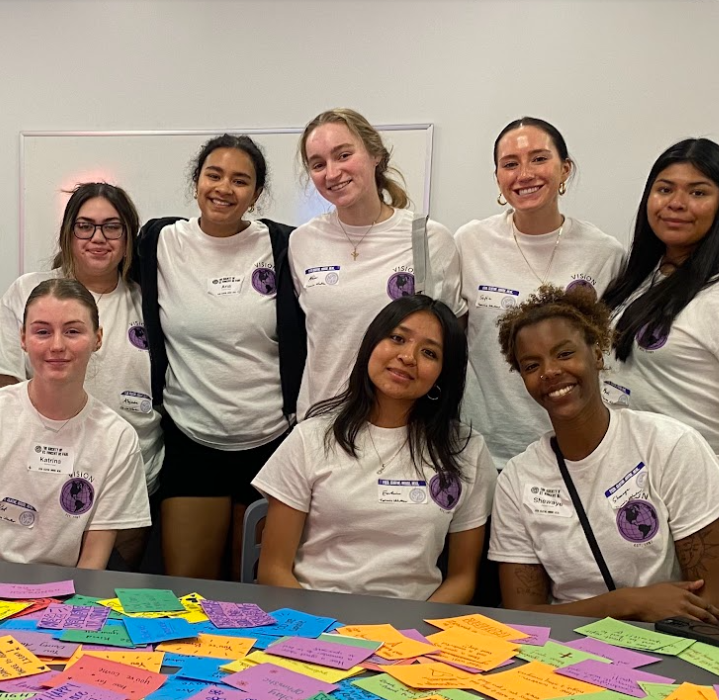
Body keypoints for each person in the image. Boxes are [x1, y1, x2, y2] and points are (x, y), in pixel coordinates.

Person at [489, 286, 719, 620]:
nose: (550, 371)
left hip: (670, 642)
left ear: (596, 354)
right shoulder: (517, 479)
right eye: (531, 364)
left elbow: (710, 602)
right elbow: (522, 616)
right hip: (564, 652)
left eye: (564, 354)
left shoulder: (670, 446)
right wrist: (626, 603)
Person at [135, 134, 305, 579]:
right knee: (189, 595)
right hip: (192, 438)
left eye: (240, 180)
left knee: (260, 591)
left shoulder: (284, 246)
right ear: (196, 181)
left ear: (256, 193)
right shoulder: (159, 242)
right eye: (214, 175)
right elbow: (96, 265)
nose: (224, 188)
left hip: (273, 441)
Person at [254, 295, 494, 601]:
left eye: (429, 353)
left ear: (442, 375)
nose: (408, 357)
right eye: (397, 338)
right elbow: (273, 570)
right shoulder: (310, 438)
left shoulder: (466, 450)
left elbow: (462, 578)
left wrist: (409, 636)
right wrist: (324, 632)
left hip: (411, 630)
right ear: (372, 344)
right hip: (316, 624)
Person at [0, 182, 161, 567]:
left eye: (112, 227)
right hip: (35, 482)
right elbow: (2, 384)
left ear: (129, 236)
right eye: (85, 226)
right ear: (68, 233)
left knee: (103, 601)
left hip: (131, 481)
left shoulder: (150, 300)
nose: (98, 238)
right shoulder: (31, 291)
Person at [0, 278, 150, 569]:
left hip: (65, 598)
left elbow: (93, 562)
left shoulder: (117, 439)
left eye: (73, 331)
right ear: (23, 339)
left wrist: (64, 614)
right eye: (42, 331)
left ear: (97, 338)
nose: (57, 345)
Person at [458, 117, 625, 470]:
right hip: (486, 447)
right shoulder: (470, 243)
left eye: (538, 159)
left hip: (577, 444)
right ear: (498, 178)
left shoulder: (603, 252)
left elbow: (609, 354)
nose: (525, 174)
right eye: (510, 164)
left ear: (564, 169)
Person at [290, 108, 462, 421]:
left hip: (401, 425)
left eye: (343, 155)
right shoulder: (302, 242)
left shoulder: (429, 239)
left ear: (375, 155)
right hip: (321, 424)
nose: (331, 173)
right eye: (318, 164)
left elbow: (450, 344)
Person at [602, 138, 719, 451]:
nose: (677, 203)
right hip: (629, 474)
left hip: (697, 485)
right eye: (665, 189)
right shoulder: (636, 275)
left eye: (698, 192)